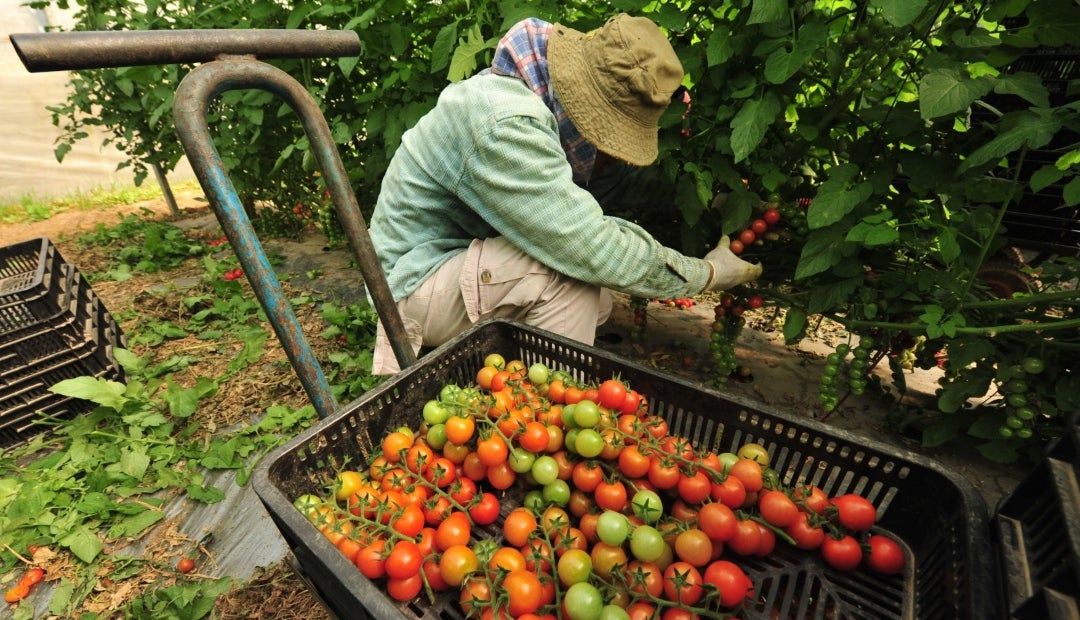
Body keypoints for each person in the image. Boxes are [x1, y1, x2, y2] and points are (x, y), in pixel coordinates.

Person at [368, 13, 762, 374]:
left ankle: (506, 377)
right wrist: (708, 273)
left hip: (446, 267)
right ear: (584, 106)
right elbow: (590, 246)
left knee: (597, 298)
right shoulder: (508, 125)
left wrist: (716, 204)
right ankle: (545, 424)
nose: (613, 156)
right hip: (408, 288)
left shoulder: (534, 104)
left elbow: (617, 185)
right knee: (568, 277)